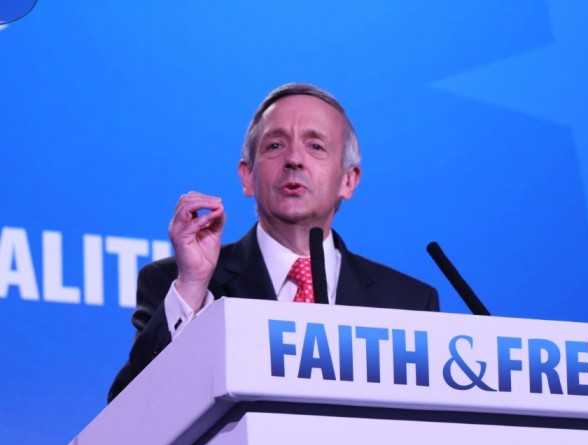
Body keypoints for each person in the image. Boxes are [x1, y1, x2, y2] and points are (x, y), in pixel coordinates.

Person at [108, 83, 439, 402]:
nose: (294, 159)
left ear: (348, 180)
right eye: (275, 145)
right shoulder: (178, 283)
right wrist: (193, 286)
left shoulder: (408, 303)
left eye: (316, 146)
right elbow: (129, 415)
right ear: (247, 176)